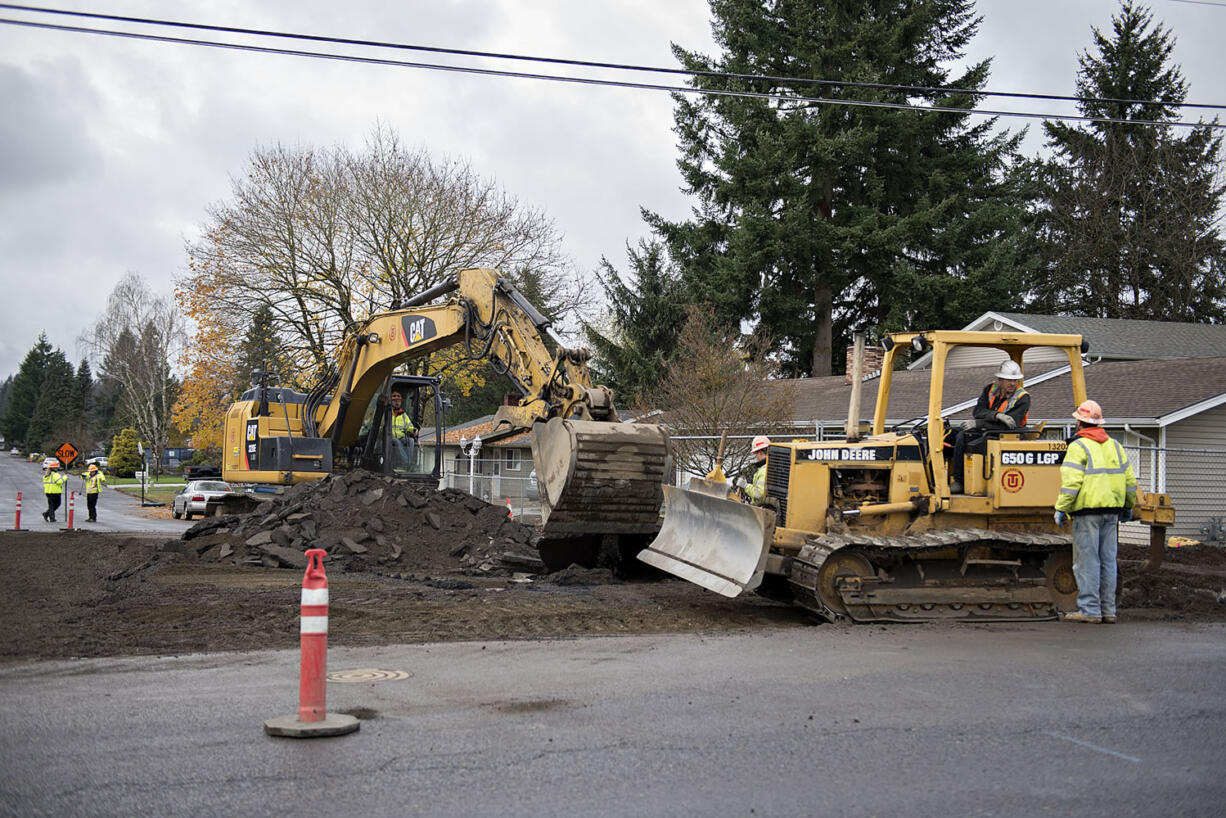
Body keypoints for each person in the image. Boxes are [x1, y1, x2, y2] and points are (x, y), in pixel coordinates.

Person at [1054, 399, 1137, 624]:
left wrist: (1061, 509)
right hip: (1112, 512)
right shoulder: (1115, 446)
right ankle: (1108, 611)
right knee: (1108, 561)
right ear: (1099, 424)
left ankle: (1090, 611)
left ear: (1080, 424)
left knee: (1087, 561)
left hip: (1087, 513)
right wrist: (1128, 506)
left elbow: (1071, 484)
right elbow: (1130, 482)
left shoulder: (1078, 447)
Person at [949, 360, 1030, 493]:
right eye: (1009, 380)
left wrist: (980, 423)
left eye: (1015, 380)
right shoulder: (990, 390)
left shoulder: (1023, 398)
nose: (1012, 383)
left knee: (963, 437)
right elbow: (978, 411)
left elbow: (1009, 425)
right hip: (988, 429)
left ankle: (960, 481)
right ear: (1000, 379)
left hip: (1007, 436)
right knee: (948, 434)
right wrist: (996, 415)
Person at [389, 391, 418, 470]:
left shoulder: (404, 415)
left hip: (401, 438)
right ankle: (406, 463)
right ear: (391, 402)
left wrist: (413, 430)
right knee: (396, 441)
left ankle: (410, 462)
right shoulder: (388, 414)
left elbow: (409, 426)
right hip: (390, 439)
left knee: (411, 440)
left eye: (398, 401)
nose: (397, 403)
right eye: (395, 401)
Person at [743, 435, 771, 504]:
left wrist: (745, 485)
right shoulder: (770, 466)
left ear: (760, 453)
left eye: (756, 454)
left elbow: (759, 494)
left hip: (760, 507)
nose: (756, 457)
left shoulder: (764, 471)